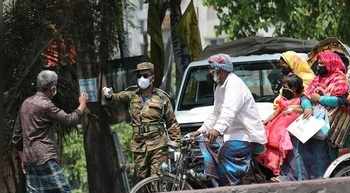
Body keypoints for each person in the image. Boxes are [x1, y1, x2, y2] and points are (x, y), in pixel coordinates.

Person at [12, 70, 88, 193]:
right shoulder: (46, 105)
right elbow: (69, 119)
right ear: (53, 88)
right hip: (45, 157)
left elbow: (17, 137)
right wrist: (82, 104)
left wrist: (23, 157)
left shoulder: (25, 103)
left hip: (29, 159)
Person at [191, 53, 266, 186]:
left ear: (221, 70)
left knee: (227, 153)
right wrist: (201, 130)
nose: (210, 72)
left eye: (212, 69)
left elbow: (228, 112)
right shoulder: (220, 87)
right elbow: (215, 114)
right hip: (230, 136)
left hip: (245, 136)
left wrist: (217, 130)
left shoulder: (234, 85)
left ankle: (231, 189)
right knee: (202, 152)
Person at [102, 62, 181, 183]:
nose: (141, 79)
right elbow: (117, 97)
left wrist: (176, 146)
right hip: (139, 145)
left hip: (158, 144)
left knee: (158, 178)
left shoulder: (161, 98)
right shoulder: (132, 95)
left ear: (152, 78)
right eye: (139, 76)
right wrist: (109, 95)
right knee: (140, 179)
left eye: (145, 75)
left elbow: (171, 123)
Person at [283, 50, 349, 181]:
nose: (319, 66)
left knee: (320, 156)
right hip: (311, 120)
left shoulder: (339, 79)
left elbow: (341, 101)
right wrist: (307, 106)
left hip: (327, 122)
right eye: (318, 63)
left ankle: (322, 182)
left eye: (322, 63)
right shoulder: (317, 79)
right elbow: (305, 95)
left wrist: (320, 99)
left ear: (331, 63)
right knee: (302, 151)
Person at [255, 74, 305, 179]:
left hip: (288, 130)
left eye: (286, 87)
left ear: (294, 88)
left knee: (285, 152)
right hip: (276, 128)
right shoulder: (284, 100)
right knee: (273, 148)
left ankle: (284, 173)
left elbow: (306, 109)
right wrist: (265, 121)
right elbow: (275, 113)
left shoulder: (301, 100)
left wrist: (295, 109)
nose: (284, 89)